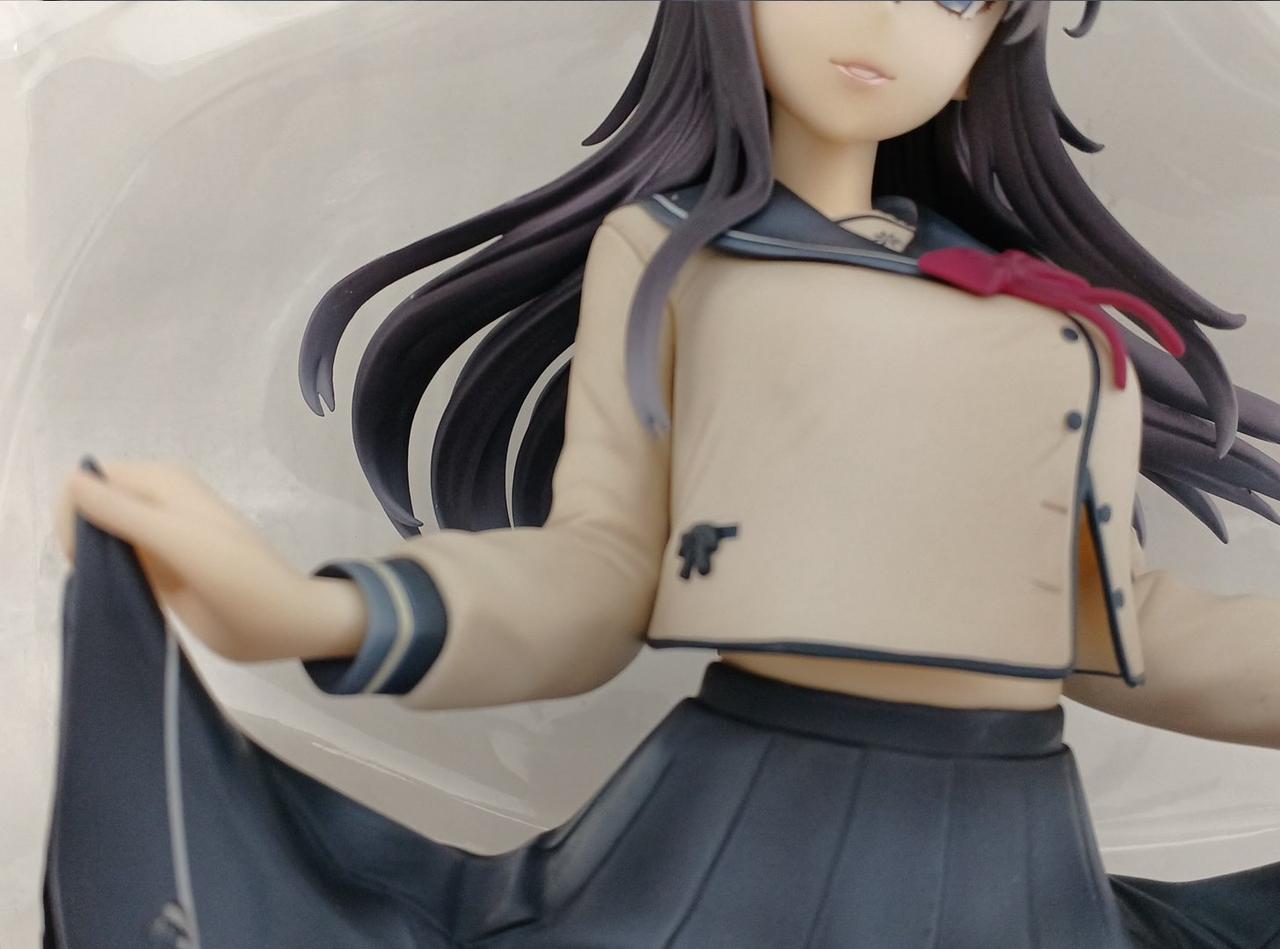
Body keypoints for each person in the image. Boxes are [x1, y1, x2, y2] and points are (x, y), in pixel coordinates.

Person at [46, 2, 1280, 946]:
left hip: (1015, 860)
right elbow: (599, 575)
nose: (884, 19)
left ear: (988, 45)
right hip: (756, 827)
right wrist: (318, 610)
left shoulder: (1048, 319)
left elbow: (1116, 622)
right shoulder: (679, 258)